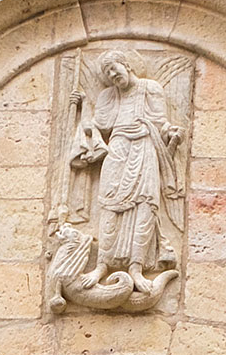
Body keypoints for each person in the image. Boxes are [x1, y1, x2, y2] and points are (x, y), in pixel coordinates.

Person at [68, 52, 183, 289]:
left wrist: (171, 132)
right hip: (117, 149)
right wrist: (82, 106)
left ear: (127, 65)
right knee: (109, 205)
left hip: (144, 148)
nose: (112, 74)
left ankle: (136, 268)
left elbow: (161, 123)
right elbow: (95, 127)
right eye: (107, 72)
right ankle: (101, 265)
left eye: (114, 68)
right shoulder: (108, 96)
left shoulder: (150, 88)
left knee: (146, 205)